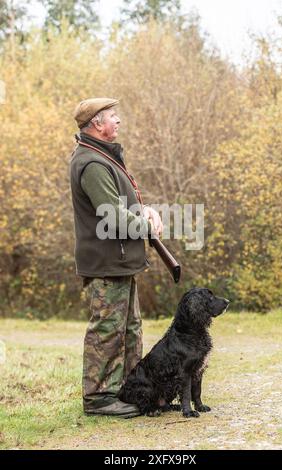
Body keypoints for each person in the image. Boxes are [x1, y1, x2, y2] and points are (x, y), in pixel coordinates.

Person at [70, 98, 163, 418]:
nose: (119, 120)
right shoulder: (93, 164)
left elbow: (122, 206)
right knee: (108, 330)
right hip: (107, 261)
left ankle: (125, 391)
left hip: (120, 259)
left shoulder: (102, 157)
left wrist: (145, 210)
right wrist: (147, 226)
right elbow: (113, 218)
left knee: (129, 328)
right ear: (97, 123)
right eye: (113, 117)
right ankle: (98, 398)